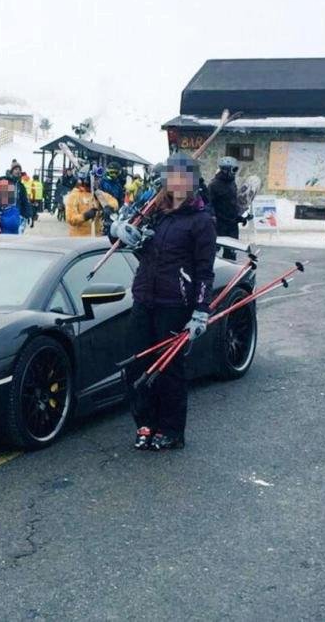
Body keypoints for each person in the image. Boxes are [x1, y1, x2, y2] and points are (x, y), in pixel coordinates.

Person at [112, 154, 216, 451]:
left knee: (169, 370)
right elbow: (126, 244)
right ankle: (145, 423)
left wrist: (200, 310)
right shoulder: (154, 212)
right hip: (144, 298)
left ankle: (171, 430)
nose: (179, 183)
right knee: (137, 366)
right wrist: (120, 232)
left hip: (175, 303)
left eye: (185, 177)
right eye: (174, 177)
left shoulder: (201, 221)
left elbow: (204, 271)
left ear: (194, 182)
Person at [64, 166, 118, 237]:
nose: (98, 181)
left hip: (96, 238)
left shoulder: (98, 194)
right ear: (87, 180)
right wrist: (85, 216)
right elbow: (70, 219)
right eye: (95, 179)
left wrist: (109, 207)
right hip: (79, 238)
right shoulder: (74, 195)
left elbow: (114, 202)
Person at [209, 156, 241, 242]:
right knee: (215, 250)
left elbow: (233, 202)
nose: (235, 172)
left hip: (232, 224)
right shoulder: (214, 185)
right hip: (220, 224)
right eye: (234, 169)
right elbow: (209, 203)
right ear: (225, 169)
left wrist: (239, 217)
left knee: (231, 252)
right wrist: (212, 217)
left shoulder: (232, 183)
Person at [4, 162, 32, 230]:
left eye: (19, 169)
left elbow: (25, 201)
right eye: (16, 169)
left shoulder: (21, 186)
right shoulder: (6, 182)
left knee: (17, 238)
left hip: (17, 215)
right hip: (5, 215)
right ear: (12, 171)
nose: (18, 171)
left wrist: (28, 215)